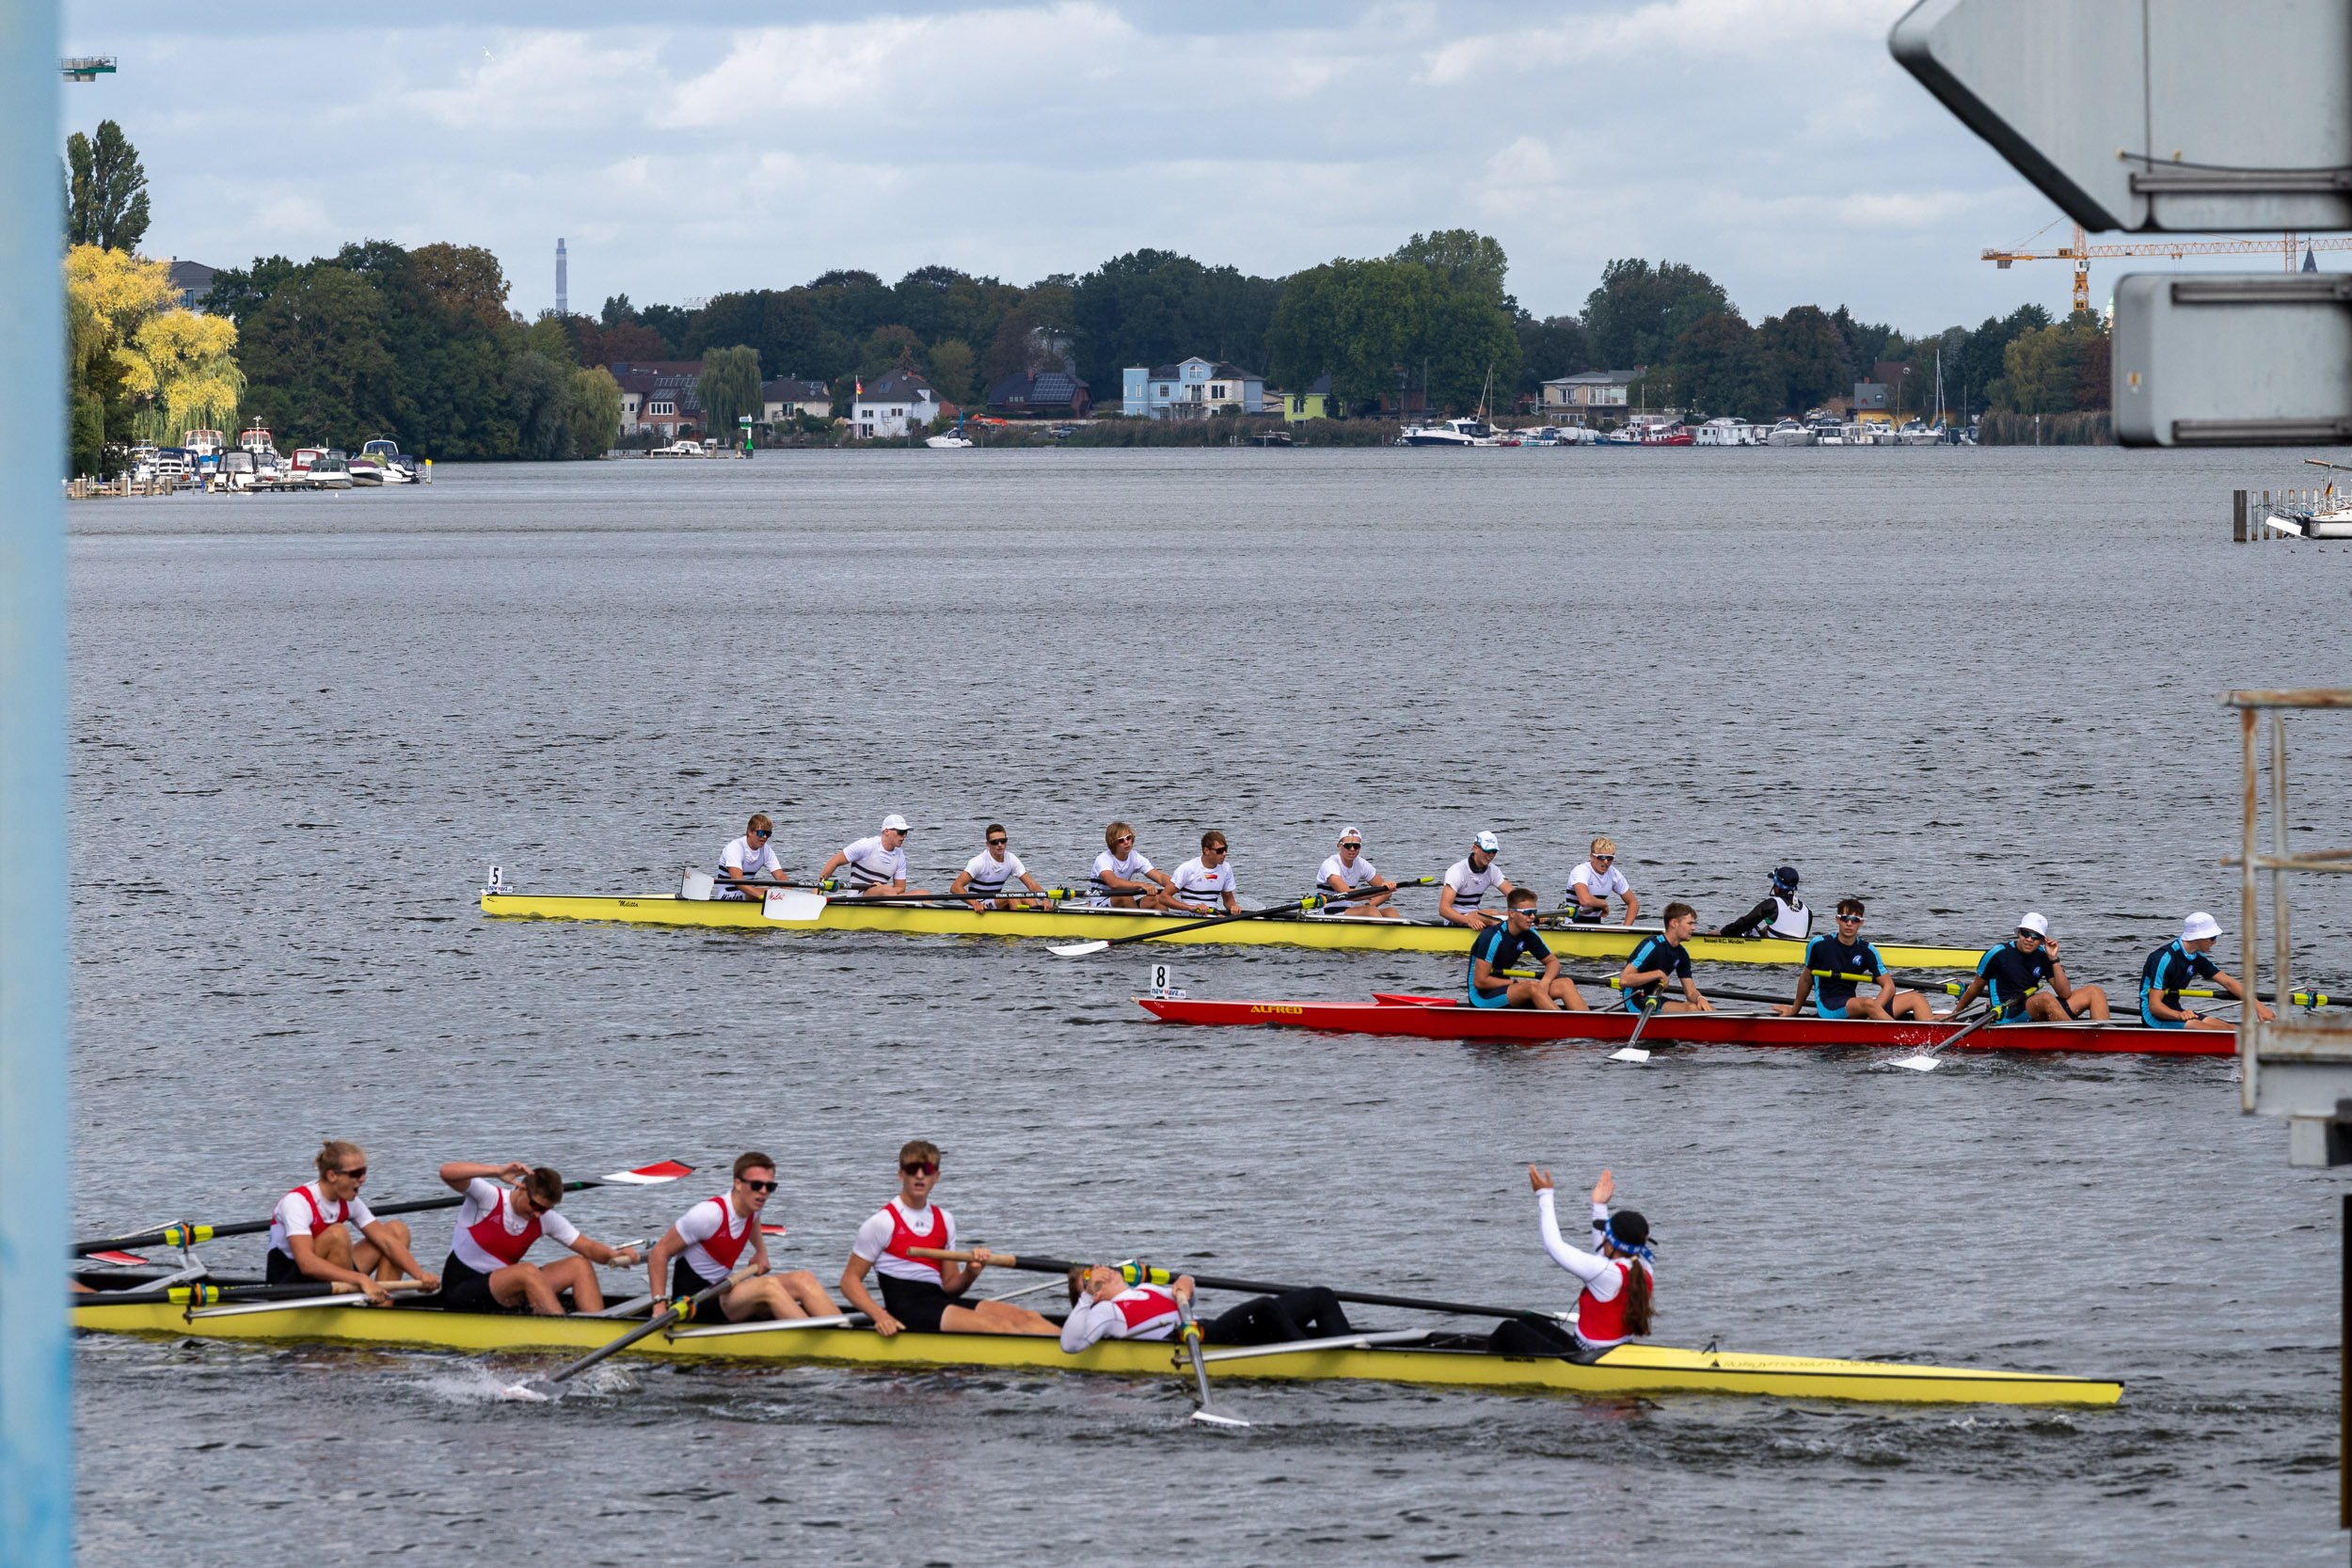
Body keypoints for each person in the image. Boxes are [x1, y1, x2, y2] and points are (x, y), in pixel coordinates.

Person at [839, 1141, 1057, 1338]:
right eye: (912, 1170)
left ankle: (1078, 1349)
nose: (919, 1176)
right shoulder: (883, 1222)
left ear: (936, 1177)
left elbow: (950, 1287)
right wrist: (880, 1316)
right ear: (901, 1175)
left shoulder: (945, 1219)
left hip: (939, 1302)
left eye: (927, 1170)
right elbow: (849, 1282)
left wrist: (971, 1273)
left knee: (1029, 1318)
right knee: (1002, 1328)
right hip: (907, 1310)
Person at [646, 1152, 839, 1323]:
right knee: (768, 1286)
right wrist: (659, 1305)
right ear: (737, 1184)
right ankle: (823, 1343)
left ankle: (842, 1330)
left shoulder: (752, 1206)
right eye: (756, 1185)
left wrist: (761, 1252)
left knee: (803, 1278)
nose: (763, 1192)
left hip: (724, 1291)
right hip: (695, 1302)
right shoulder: (708, 1215)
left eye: (770, 1186)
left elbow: (754, 1220)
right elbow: (659, 1252)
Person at [434, 1160, 641, 1316]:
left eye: (545, 1209)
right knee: (527, 1271)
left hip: (502, 1293)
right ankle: (563, 1334)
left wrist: (616, 1254)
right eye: (536, 1206)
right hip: (461, 1293)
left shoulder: (545, 1219)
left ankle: (599, 1332)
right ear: (522, 1188)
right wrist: (496, 1171)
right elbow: (447, 1172)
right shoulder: (489, 1198)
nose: (538, 1214)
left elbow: (587, 1247)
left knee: (579, 1265)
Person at [1489, 1166, 1654, 1357]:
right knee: (1527, 1320)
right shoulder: (1643, 1268)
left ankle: (1481, 1367)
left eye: (1605, 1236)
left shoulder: (1605, 1272)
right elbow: (1602, 1258)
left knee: (1508, 1329)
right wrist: (1598, 1206)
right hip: (1613, 1349)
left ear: (1611, 1244)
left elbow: (1553, 1246)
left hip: (1591, 1355)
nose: (1603, 1240)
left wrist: (1544, 1195)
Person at [263, 1140, 439, 1305]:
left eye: (364, 1171)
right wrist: (362, 1279)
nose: (362, 1179)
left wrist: (420, 1276)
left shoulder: (348, 1199)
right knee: (338, 1233)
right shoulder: (297, 1202)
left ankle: (382, 1307)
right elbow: (306, 1264)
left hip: (327, 1276)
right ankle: (352, 1305)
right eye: (356, 1173)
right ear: (332, 1175)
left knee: (397, 1230)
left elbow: (387, 1242)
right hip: (288, 1282)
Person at [1058, 1263, 1354, 1351]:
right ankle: (1316, 1362)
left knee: (1321, 1296)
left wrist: (1187, 1282)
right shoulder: (1105, 1312)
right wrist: (1085, 1299)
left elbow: (1185, 1288)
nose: (1098, 1271)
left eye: (1094, 1268)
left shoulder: (1145, 1289)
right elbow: (1071, 1344)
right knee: (1264, 1307)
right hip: (1195, 1342)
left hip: (1208, 1330)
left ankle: (1352, 1354)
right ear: (1093, 1294)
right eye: (1089, 1277)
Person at [1785, 897, 1935, 1021]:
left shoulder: (1867, 950)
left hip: (1855, 1005)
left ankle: (1935, 1033)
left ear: (1861, 923)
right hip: (1829, 1007)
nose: (1849, 923)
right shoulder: (1819, 944)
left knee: (1916, 998)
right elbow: (1806, 979)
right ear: (1837, 920)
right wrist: (1794, 1010)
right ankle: (1903, 1036)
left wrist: (1874, 1009)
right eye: (1845, 919)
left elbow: (1889, 986)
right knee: (1867, 1003)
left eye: (1854, 920)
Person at [1947, 912, 2111, 1022]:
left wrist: (2053, 959)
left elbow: (2065, 993)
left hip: (2031, 1008)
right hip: (2006, 1013)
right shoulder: (1997, 954)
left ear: (2042, 940)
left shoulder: (2043, 955)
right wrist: (1954, 1015)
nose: (2029, 939)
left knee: (2094, 991)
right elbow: (1975, 989)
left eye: (2035, 936)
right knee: (2046, 997)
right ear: (2018, 933)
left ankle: (2106, 1038)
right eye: (2025, 934)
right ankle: (2079, 1037)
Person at [2139, 911, 2274, 1031]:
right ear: (2199, 937)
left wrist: (2259, 1007)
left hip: (2177, 1011)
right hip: (2154, 1016)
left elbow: (2228, 983)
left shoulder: (2197, 958)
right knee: (2209, 1029)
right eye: (2213, 937)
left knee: (2231, 1028)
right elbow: (2154, 1006)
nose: (2215, 942)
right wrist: (2179, 1015)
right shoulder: (2164, 958)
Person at [1468, 888, 1587, 1010]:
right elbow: (1480, 981)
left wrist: (1545, 982)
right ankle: (1567, 1025)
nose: (1532, 917)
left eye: (1534, 912)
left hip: (1509, 990)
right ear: (1512, 913)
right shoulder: (1492, 937)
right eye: (1527, 912)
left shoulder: (1529, 933)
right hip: (1482, 997)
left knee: (1565, 983)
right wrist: (1516, 983)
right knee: (1531, 986)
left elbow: (1553, 962)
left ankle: (1589, 1024)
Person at [1618, 902, 1713, 1013]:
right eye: (1690, 923)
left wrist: (1700, 998)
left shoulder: (1682, 953)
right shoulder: (1651, 945)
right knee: (1691, 1009)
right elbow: (1624, 980)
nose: (1694, 928)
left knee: (1709, 1009)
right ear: (1674, 923)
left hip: (1654, 998)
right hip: (1635, 999)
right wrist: (1658, 974)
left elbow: (1690, 991)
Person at [818, 815, 927, 896]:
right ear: (887, 831)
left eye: (906, 832)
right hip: (859, 898)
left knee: (923, 894)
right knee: (887, 889)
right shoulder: (866, 845)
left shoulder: (900, 856)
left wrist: (881, 889)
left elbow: (900, 887)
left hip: (882, 897)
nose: (904, 836)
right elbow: (834, 861)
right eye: (900, 832)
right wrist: (817, 891)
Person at [951, 823, 1047, 911]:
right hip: (978, 905)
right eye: (995, 842)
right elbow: (955, 887)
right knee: (1012, 895)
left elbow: (1031, 884)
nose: (1000, 845)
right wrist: (975, 903)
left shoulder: (1011, 859)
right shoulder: (978, 862)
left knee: (1027, 897)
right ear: (988, 844)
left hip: (994, 902)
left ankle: (1038, 917)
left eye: (1002, 841)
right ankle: (1019, 926)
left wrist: (1045, 898)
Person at [1090, 821, 1177, 911]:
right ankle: (1139, 921)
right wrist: (1141, 885)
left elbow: (1160, 877)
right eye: (1121, 840)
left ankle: (1164, 923)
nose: (1126, 842)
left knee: (1158, 898)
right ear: (1113, 843)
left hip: (1122, 904)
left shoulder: (1135, 857)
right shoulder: (1103, 859)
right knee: (1124, 895)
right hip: (1101, 906)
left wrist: (1178, 885)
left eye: (1128, 838)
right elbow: (1113, 883)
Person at [1317, 826, 1399, 918]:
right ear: (1339, 845)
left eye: (1356, 846)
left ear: (1360, 847)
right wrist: (1381, 891)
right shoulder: (1330, 865)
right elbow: (1348, 894)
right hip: (1328, 912)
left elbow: (1386, 892)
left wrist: (1386, 888)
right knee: (1370, 911)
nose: (1352, 849)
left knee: (1391, 912)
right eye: (1347, 845)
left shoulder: (1361, 864)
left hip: (1347, 910)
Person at [1713, 866, 1811, 941]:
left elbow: (1745, 922)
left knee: (1746, 926)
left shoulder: (1772, 904)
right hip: (1797, 952)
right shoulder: (1808, 911)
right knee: (1766, 928)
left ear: (1777, 886)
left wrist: (1723, 933)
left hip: (1773, 950)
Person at [1439, 832, 1513, 930]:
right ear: (1475, 848)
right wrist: (1468, 920)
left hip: (1476, 918)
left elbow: (1516, 896)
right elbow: (1443, 910)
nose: (1491, 855)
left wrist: (1529, 913)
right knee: (1493, 914)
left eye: (1494, 851)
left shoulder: (1493, 870)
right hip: (1456, 921)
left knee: (1512, 914)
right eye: (1487, 850)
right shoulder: (1457, 871)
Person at [1564, 838, 1639, 926]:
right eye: (1601, 857)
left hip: (1595, 924)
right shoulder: (1581, 871)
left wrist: (1626, 929)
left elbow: (1634, 904)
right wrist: (1603, 905)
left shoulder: (1613, 874)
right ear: (1592, 857)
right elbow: (1585, 900)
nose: (1606, 861)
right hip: (1572, 924)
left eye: (1609, 858)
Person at [1168, 831, 1240, 916]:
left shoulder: (1226, 868)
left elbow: (1228, 900)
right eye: (1219, 850)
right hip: (1190, 917)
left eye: (1225, 849)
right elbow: (1164, 898)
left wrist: (1234, 907)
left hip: (1213, 915)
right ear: (1206, 850)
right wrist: (1191, 907)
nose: (1224, 853)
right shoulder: (1188, 868)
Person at [716, 815, 788, 899]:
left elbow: (780, 876)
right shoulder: (735, 847)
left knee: (774, 893)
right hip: (727, 894)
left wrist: (789, 894)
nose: (764, 837)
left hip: (748, 892)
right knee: (768, 893)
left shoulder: (766, 850)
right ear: (750, 832)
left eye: (768, 834)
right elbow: (737, 880)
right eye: (761, 833)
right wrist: (761, 896)